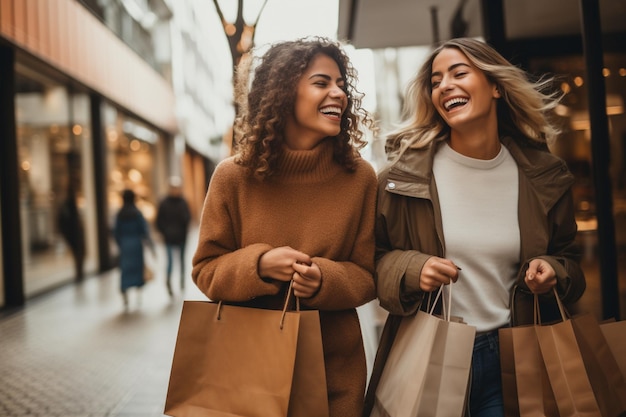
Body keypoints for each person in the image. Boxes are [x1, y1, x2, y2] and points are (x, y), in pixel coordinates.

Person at [363, 38, 586, 417]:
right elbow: (374, 263)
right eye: (435, 81)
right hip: (433, 355)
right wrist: (414, 269)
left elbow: (571, 262)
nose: (445, 85)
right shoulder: (401, 180)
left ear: (496, 86)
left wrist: (554, 270)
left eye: (458, 73)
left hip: (516, 357)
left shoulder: (544, 177)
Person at [191, 37, 378, 417]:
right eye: (322, 83)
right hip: (249, 377)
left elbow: (369, 274)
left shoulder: (360, 178)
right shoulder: (233, 177)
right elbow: (205, 270)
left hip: (334, 379)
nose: (338, 94)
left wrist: (323, 280)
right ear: (282, 92)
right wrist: (258, 265)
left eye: (341, 84)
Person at [114, 188, 154, 311]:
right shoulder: (137, 213)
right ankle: (138, 292)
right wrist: (151, 246)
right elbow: (144, 230)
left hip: (125, 245)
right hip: (136, 245)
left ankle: (124, 291)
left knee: (125, 270)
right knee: (137, 269)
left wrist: (120, 243)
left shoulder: (120, 214)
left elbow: (115, 231)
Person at [156, 177, 191, 297]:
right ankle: (169, 281)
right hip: (169, 237)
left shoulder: (183, 202)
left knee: (182, 261)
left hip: (181, 237)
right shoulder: (164, 203)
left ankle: (182, 281)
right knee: (170, 262)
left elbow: (187, 218)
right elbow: (159, 220)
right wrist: (165, 231)